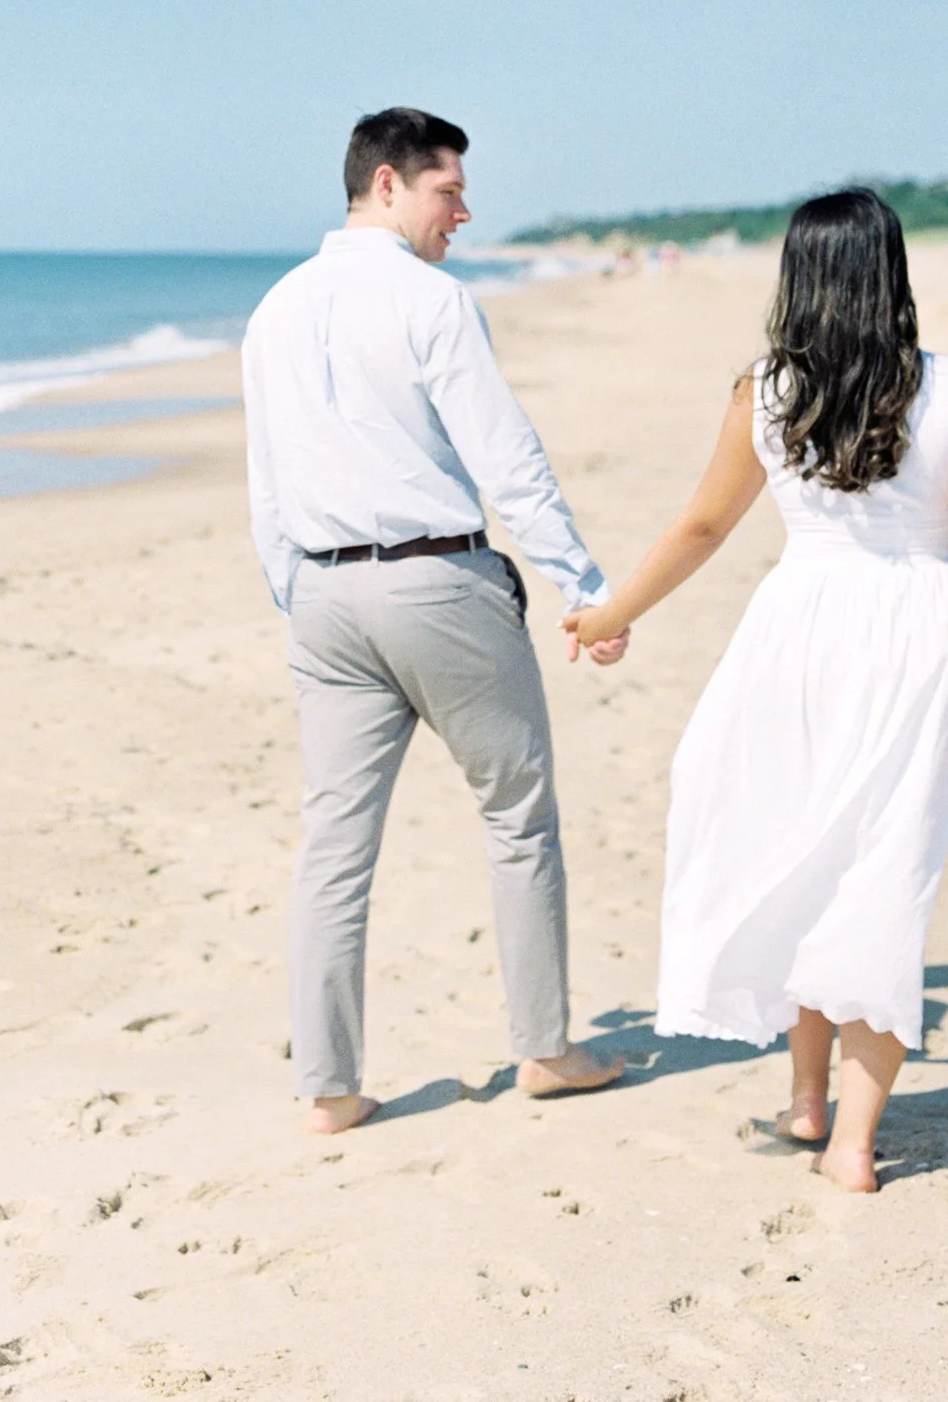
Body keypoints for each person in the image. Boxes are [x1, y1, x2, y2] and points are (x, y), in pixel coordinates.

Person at [563, 187, 948, 1192]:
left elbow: (701, 526)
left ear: (798, 276)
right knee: (878, 874)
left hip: (801, 630)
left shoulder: (765, 391)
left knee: (810, 854)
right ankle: (839, 1128)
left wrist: (611, 613)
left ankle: (822, 1108)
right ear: (890, 273)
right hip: (921, 634)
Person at [243, 107, 629, 1134]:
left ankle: (329, 1089)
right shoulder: (432, 300)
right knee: (518, 814)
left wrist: (302, 596)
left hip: (323, 597)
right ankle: (543, 1048)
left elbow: (266, 485)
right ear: (385, 184)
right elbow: (507, 459)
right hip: (436, 584)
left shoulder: (273, 308)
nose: (464, 209)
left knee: (333, 845)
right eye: (447, 189)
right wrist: (583, 588)